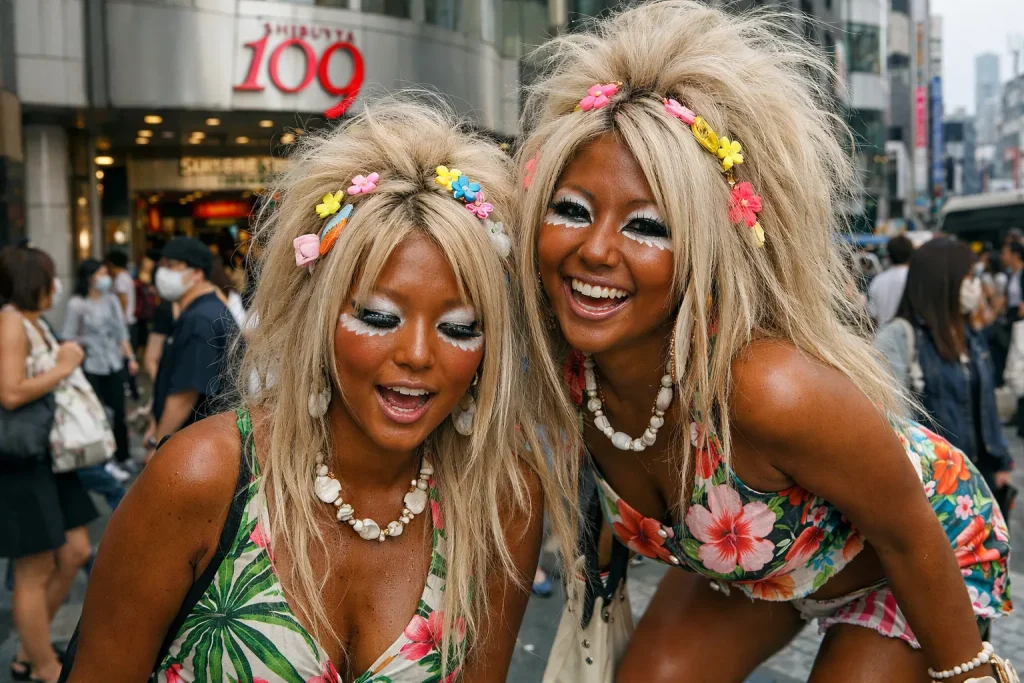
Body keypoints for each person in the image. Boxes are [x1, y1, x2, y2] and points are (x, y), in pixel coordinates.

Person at [518, 3, 1013, 681]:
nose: (596, 250)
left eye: (648, 226)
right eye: (572, 210)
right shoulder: (565, 365)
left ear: (707, 249)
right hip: (767, 572)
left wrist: (969, 671)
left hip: (917, 554)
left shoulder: (767, 389)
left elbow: (906, 527)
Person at [61, 99, 554, 683]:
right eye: (377, 316)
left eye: (459, 328)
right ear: (319, 316)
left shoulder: (503, 504)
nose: (419, 355)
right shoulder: (202, 476)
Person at [0, 246, 96, 683]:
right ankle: (40, 664)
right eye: (50, 276)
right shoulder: (10, 321)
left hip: (52, 457)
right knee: (33, 569)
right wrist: (64, 366)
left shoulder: (32, 322)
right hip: (24, 460)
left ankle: (28, 648)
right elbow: (11, 392)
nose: (55, 285)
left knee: (74, 551)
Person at [876, 240, 1015, 514]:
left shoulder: (967, 334)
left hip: (980, 478)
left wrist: (1000, 461)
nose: (975, 286)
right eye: (969, 277)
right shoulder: (899, 338)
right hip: (936, 489)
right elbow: (890, 420)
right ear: (943, 282)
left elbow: (983, 404)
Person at [143, 237, 239, 462]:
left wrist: (158, 444)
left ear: (196, 273)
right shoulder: (203, 311)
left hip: (194, 448)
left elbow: (185, 394)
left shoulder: (200, 319)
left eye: (171, 265)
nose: (162, 272)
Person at [61, 259, 137, 476]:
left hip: (113, 363)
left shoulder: (112, 300)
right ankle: (102, 460)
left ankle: (123, 456)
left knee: (119, 413)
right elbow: (68, 336)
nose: (105, 277)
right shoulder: (77, 304)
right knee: (96, 413)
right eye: (101, 273)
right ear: (89, 277)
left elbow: (122, 332)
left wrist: (130, 357)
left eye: (106, 272)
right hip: (91, 365)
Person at [105, 250, 139, 403]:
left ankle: (130, 388)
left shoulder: (120, 279)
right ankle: (133, 389)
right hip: (129, 321)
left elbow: (122, 301)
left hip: (125, 323)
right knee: (128, 358)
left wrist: (120, 319)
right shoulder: (127, 276)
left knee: (126, 359)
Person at [867, 234, 913, 327]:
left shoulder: (878, 281)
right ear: (911, 255)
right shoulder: (915, 278)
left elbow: (872, 314)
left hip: (883, 337)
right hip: (910, 337)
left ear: (889, 255)